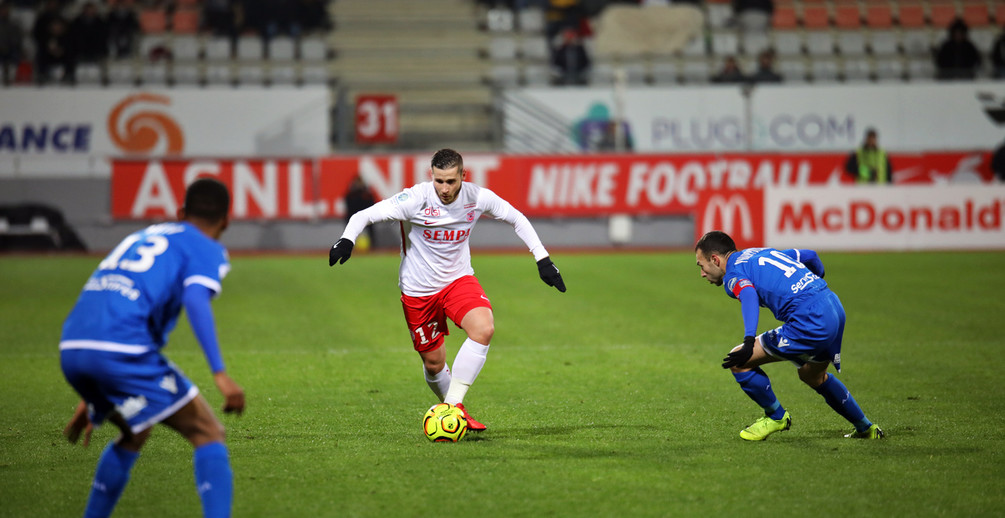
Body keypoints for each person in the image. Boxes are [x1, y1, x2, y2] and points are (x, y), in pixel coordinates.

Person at [328, 148, 566, 431]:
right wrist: (347, 240)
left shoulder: (477, 197)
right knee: (433, 363)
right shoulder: (415, 199)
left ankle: (453, 409)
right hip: (418, 290)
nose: (444, 188)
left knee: (484, 329)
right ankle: (454, 410)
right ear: (432, 176)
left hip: (458, 280)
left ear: (463, 176)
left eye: (451, 181)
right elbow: (363, 215)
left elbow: (516, 217)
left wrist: (543, 259)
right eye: (439, 181)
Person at [61, 178, 245, 518]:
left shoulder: (141, 236)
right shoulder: (205, 247)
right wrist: (219, 373)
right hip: (119, 349)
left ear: (180, 212)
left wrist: (91, 390)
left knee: (136, 428)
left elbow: (109, 297)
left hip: (72, 345)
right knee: (208, 431)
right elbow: (195, 298)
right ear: (225, 222)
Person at [694, 230, 883, 441]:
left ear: (715, 259)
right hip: (832, 305)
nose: (702, 273)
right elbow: (810, 256)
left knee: (739, 361)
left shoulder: (732, 274)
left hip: (810, 320)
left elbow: (747, 294)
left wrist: (749, 339)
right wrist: (813, 287)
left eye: (701, 266)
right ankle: (866, 428)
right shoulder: (759, 253)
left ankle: (776, 417)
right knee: (813, 375)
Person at [343, 175, 377, 249]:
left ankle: (373, 247)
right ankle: (347, 246)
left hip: (366, 216)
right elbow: (349, 206)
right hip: (353, 216)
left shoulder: (367, 194)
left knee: (371, 227)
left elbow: (372, 204)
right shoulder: (351, 195)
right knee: (350, 228)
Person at [0, 1, 24, 85]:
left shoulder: (14, 24)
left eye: (6, 9)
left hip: (11, 49)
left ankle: (10, 78)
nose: (4, 11)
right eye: (2, 9)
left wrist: (8, 47)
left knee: (15, 55)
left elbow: (17, 39)